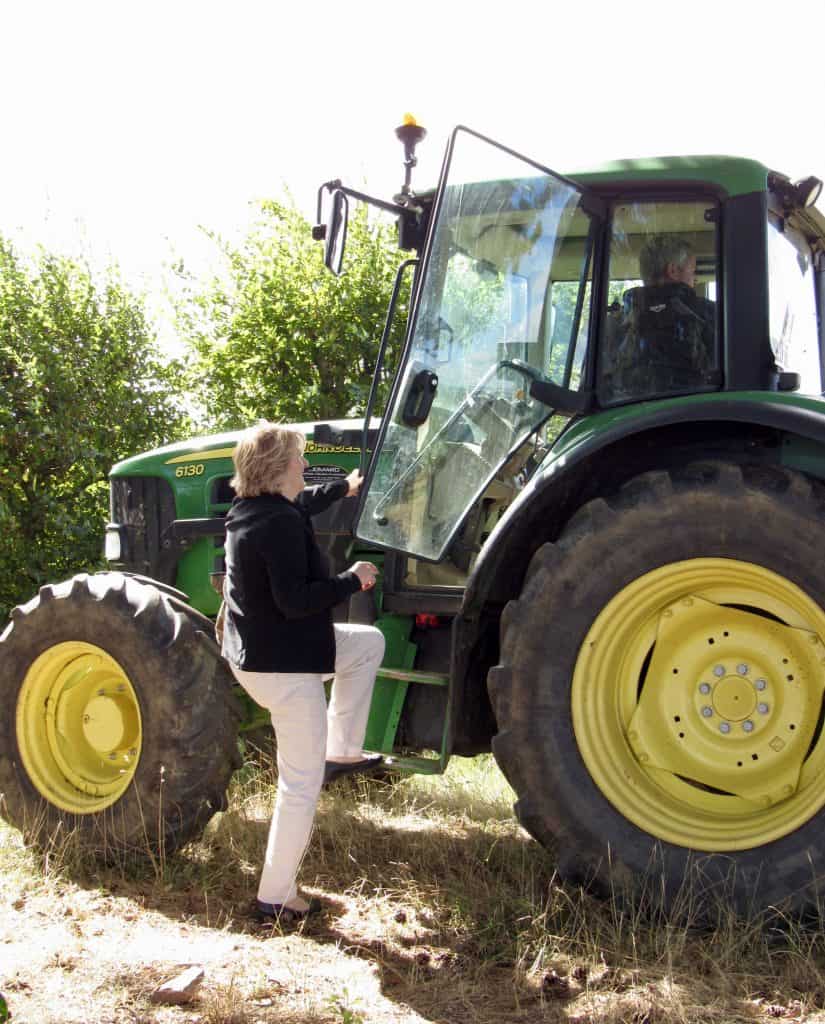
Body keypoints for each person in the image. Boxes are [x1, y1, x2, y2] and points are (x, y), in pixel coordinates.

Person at [220, 421, 385, 924]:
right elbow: (295, 601)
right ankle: (275, 897)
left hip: (257, 655)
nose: (306, 466)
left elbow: (305, 501)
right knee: (299, 786)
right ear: (278, 468)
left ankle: (343, 748)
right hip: (286, 669)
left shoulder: (252, 511)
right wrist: (351, 580)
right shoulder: (279, 523)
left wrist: (346, 487)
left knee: (364, 645)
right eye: (299, 459)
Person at [605, 233, 715, 398]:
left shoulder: (613, 324)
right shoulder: (710, 314)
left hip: (630, 420)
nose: (695, 280)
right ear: (672, 270)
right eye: (692, 272)